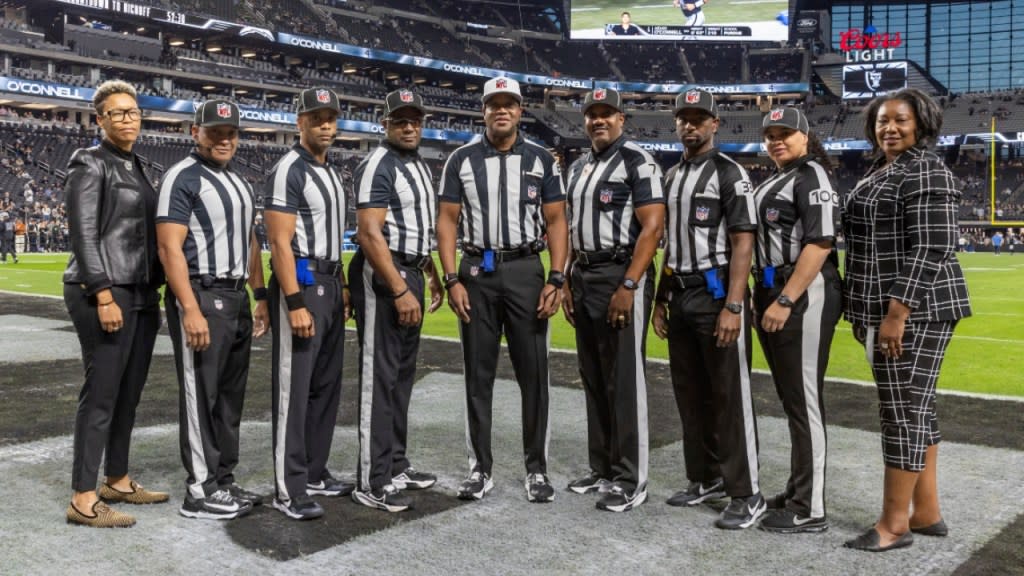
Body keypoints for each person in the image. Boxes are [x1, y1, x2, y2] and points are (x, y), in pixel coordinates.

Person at [842, 88, 972, 552]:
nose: (889, 128)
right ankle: (927, 512)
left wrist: (897, 313)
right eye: (882, 121)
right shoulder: (885, 167)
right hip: (887, 306)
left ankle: (893, 525)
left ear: (921, 123)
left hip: (915, 309)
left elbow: (933, 246)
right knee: (917, 408)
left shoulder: (926, 167)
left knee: (901, 413)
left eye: (900, 120)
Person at [437, 76, 568, 503]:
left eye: (509, 103)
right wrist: (452, 277)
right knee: (478, 376)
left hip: (527, 270)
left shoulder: (541, 160)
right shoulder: (460, 159)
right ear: (484, 110)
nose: (501, 111)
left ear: (519, 109)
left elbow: (556, 222)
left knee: (535, 376)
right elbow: (448, 222)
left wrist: (557, 277)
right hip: (476, 271)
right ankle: (480, 468)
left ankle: (537, 470)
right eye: (494, 104)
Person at [650, 89, 763, 528]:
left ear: (715, 124)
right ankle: (705, 477)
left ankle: (747, 492)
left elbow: (743, 242)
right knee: (690, 396)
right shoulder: (672, 175)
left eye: (699, 118)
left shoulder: (729, 173)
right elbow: (669, 246)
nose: (690, 125)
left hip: (718, 294)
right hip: (680, 293)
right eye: (684, 118)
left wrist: (734, 304)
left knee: (729, 396)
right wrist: (661, 298)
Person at [156, 99, 268, 520]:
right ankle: (200, 489)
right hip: (202, 293)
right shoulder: (181, 177)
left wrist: (260, 296)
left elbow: (252, 242)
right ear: (195, 132)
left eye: (231, 132)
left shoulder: (239, 182)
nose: (225, 138)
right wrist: (189, 307)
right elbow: (169, 247)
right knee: (200, 393)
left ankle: (223, 479)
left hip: (236, 295)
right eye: (216, 131)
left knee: (228, 398)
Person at [63, 80, 167, 527]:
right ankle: (83, 498)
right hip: (104, 291)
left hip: (142, 293)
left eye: (133, 112)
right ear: (100, 119)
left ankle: (118, 479)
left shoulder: (139, 166)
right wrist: (103, 294)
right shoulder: (89, 162)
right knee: (102, 393)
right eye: (117, 112)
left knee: (128, 394)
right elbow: (84, 235)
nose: (128, 119)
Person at [563, 88, 664, 513]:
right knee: (594, 376)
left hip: (620, 272)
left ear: (622, 119)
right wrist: (566, 278)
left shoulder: (638, 160)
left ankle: (631, 477)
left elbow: (654, 226)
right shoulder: (579, 166)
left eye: (607, 114)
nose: (598, 121)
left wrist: (630, 284)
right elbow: (568, 227)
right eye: (592, 114)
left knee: (623, 378)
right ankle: (602, 466)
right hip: (584, 273)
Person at [349, 89, 444, 512]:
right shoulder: (377, 164)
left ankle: (395, 463)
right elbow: (370, 234)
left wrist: (431, 273)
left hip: (412, 269)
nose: (409, 127)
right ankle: (372, 478)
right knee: (380, 376)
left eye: (415, 120)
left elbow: (419, 228)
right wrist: (400, 288)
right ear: (383, 123)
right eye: (400, 120)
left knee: (402, 377)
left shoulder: (419, 165)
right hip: (387, 276)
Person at [750, 107, 842, 533]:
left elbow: (820, 242)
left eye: (785, 133)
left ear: (806, 137)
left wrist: (786, 298)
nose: (776, 140)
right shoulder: (775, 178)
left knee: (804, 402)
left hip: (802, 293)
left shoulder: (812, 176)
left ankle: (811, 507)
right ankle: (798, 488)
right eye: (770, 134)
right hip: (772, 288)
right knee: (792, 401)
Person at [264, 87, 353, 520]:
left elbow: (334, 239)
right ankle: (288, 487)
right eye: (316, 118)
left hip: (331, 283)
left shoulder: (331, 172)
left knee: (325, 386)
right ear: (299, 122)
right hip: (302, 281)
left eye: (331, 118)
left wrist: (344, 286)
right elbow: (279, 243)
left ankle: (315, 471)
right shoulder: (289, 170)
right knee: (294, 389)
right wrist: (294, 300)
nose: (325, 125)